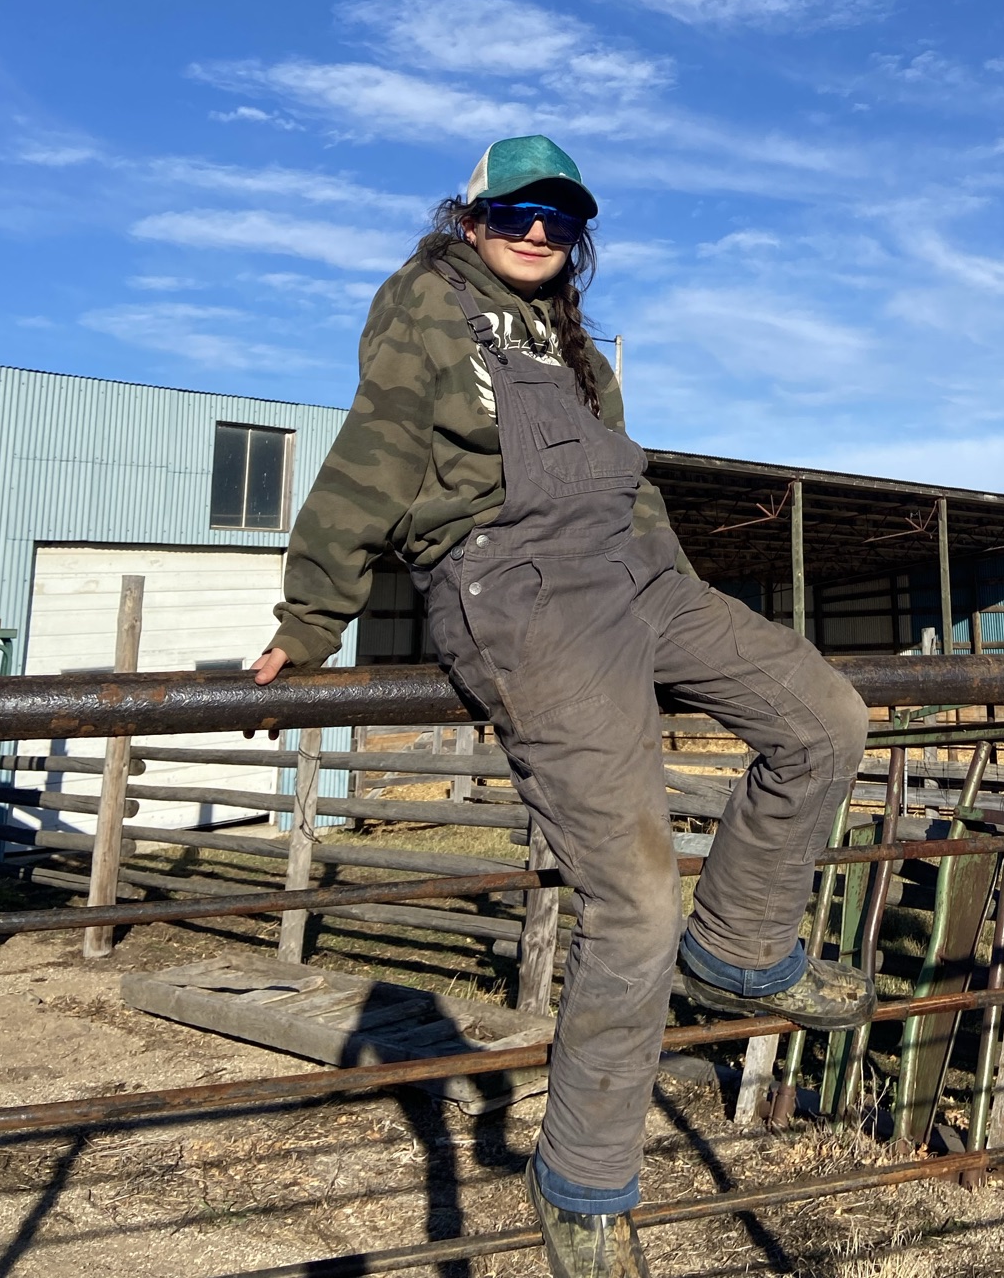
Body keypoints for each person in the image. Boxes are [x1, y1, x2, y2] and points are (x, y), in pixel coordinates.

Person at [251, 134, 871, 1278]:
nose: (538, 233)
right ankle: (583, 1181)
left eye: (560, 219)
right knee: (634, 897)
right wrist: (308, 620)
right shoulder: (428, 310)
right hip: (517, 590)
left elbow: (627, 485)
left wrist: (676, 585)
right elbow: (370, 462)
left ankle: (739, 950)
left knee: (825, 716)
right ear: (472, 213)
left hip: (632, 578)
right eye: (518, 212)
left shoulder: (576, 347)